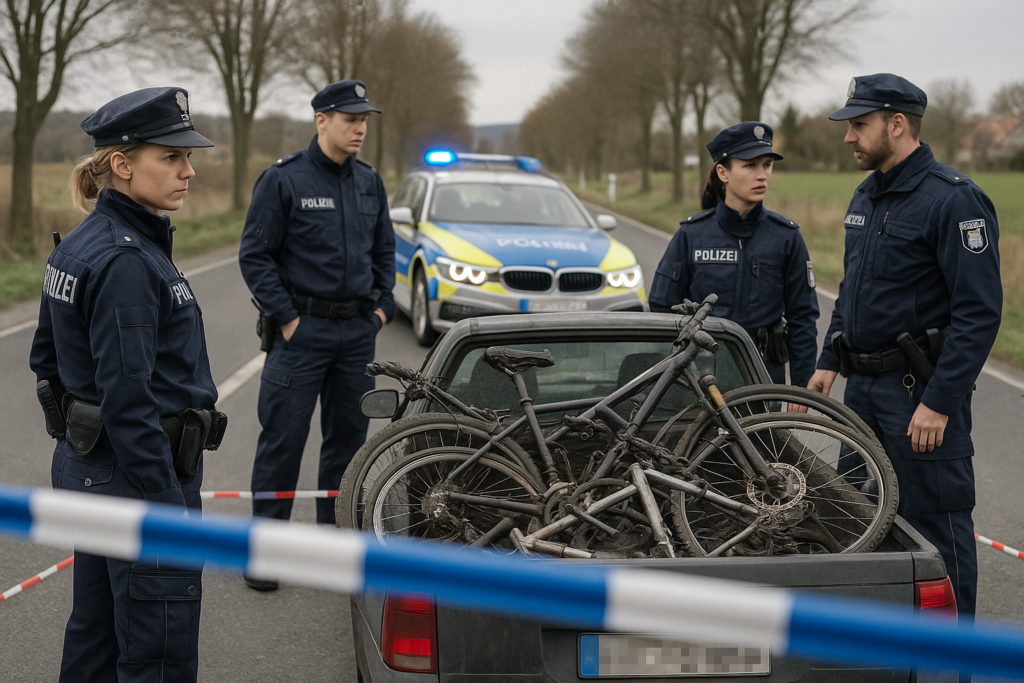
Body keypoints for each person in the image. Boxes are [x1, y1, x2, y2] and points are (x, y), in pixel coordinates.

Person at [29, 87, 225, 682]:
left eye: (188, 157)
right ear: (122, 163)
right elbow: (129, 399)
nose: (188, 171)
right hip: (139, 481)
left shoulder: (84, 243)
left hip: (93, 472)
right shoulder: (126, 262)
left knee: (95, 637)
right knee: (155, 653)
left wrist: (80, 447)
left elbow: (46, 363)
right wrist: (164, 505)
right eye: (171, 157)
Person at [806, 74, 1002, 619]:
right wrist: (828, 360)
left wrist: (939, 402)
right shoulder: (866, 193)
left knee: (938, 533)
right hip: (862, 395)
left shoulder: (953, 200)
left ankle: (953, 665)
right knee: (856, 520)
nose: (849, 137)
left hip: (918, 397)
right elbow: (852, 287)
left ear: (898, 124)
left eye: (859, 125)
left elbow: (979, 313)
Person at [238, 80, 395, 590]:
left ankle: (333, 551)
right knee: (282, 443)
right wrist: (287, 318)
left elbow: (386, 252)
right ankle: (268, 554)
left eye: (364, 119)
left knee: (348, 445)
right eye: (350, 118)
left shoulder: (370, 182)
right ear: (321, 119)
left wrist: (381, 308)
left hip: (357, 334)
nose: (360, 128)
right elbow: (255, 256)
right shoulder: (283, 180)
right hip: (301, 334)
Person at [649, 121, 820, 387]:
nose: (762, 175)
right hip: (700, 379)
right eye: (750, 166)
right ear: (723, 172)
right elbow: (661, 310)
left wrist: (801, 387)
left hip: (762, 378)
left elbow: (803, 320)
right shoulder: (691, 235)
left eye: (767, 165)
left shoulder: (786, 237)